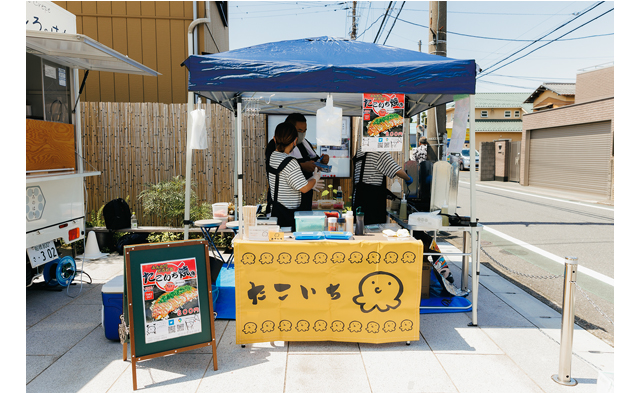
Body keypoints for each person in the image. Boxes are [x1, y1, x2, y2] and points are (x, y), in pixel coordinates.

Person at [265, 113, 330, 211]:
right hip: (287, 205)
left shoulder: (303, 144)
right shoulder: (279, 153)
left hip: (300, 199)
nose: (302, 134)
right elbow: (282, 168)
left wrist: (321, 162)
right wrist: (314, 179)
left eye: (304, 131)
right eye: (299, 131)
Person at [267, 122, 324, 230]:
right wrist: (314, 180)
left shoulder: (273, 157)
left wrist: (309, 182)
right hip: (288, 214)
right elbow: (304, 188)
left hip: (276, 209)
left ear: (274, 139)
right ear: (294, 141)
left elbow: (287, 180)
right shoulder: (290, 162)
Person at [352, 148, 413, 225]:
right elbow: (396, 170)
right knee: (373, 231)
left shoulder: (360, 151)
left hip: (358, 198)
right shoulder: (379, 151)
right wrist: (408, 178)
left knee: (360, 229)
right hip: (371, 202)